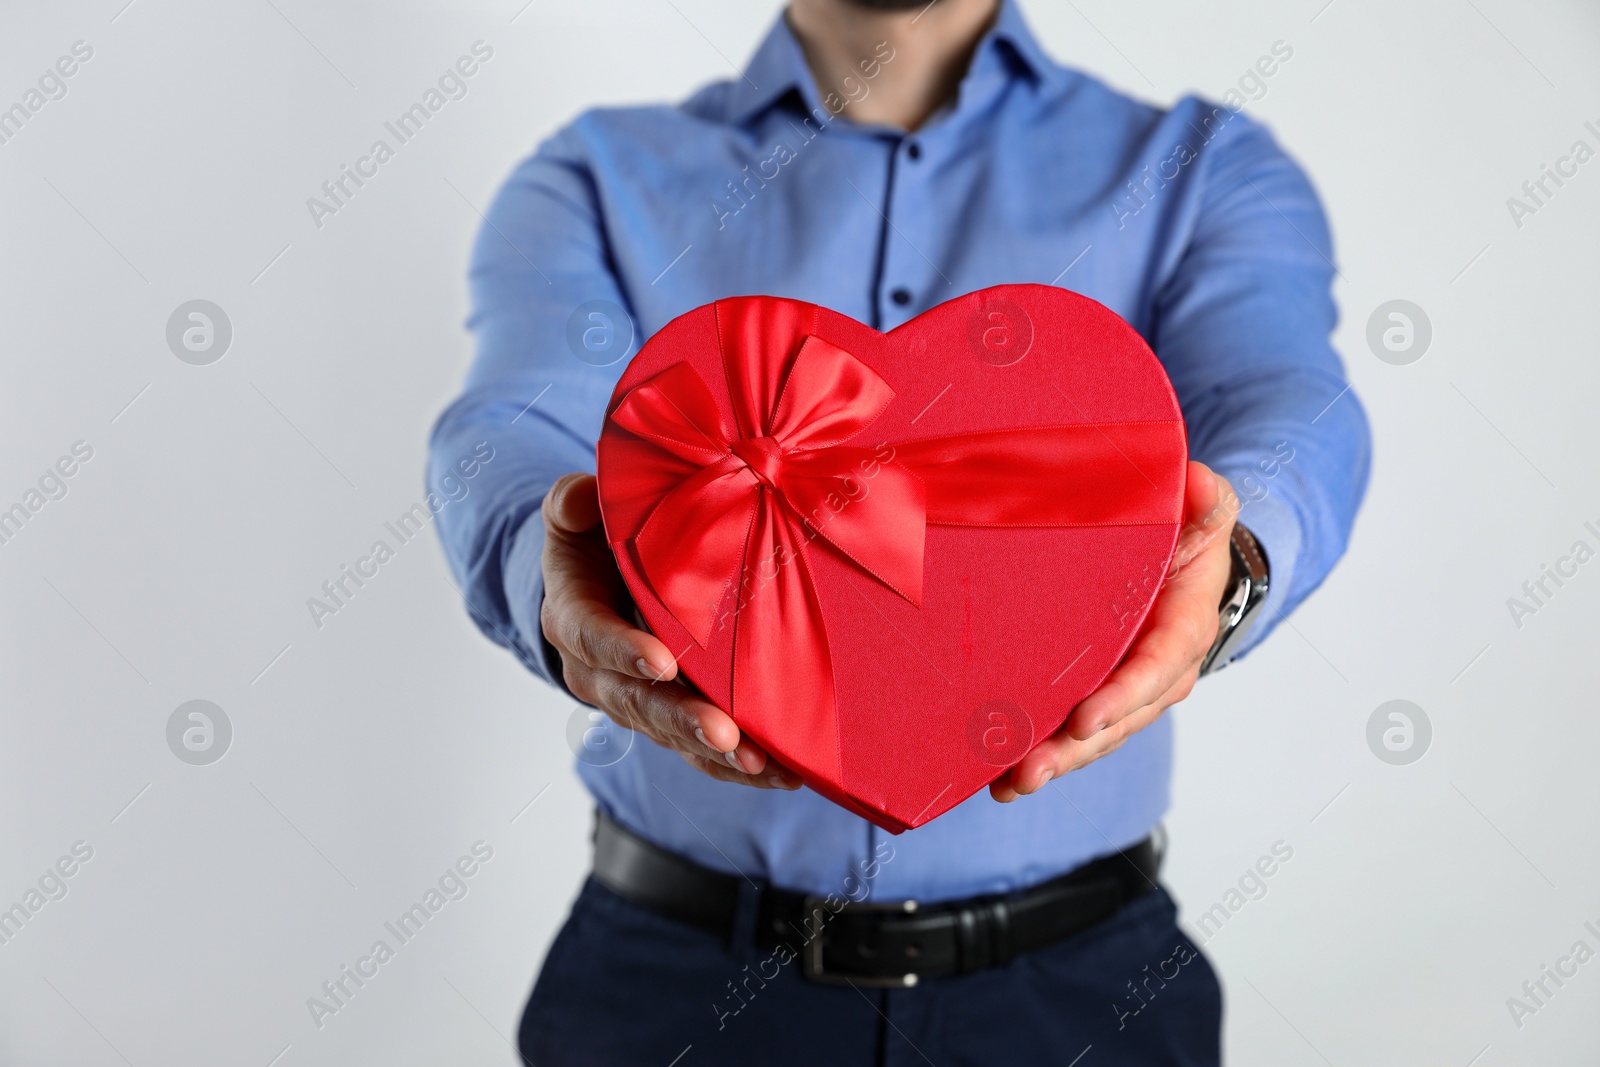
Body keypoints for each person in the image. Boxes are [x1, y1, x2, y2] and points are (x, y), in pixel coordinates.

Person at [429, 0, 1370, 1062]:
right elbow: (511, 422)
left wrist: (1229, 571)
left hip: (1082, 997)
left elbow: (1290, 406)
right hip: (675, 989)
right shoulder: (595, 173)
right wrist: (549, 580)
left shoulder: (1201, 167)